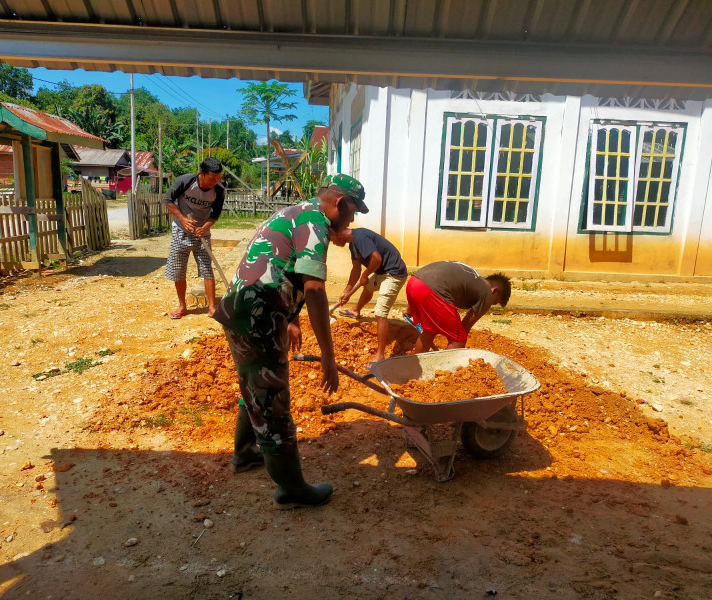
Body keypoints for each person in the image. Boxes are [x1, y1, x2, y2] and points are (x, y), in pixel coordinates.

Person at [213, 173, 368, 509]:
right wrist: (328, 356)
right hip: (260, 317)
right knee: (272, 399)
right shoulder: (316, 224)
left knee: (256, 385)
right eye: (354, 210)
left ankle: (244, 453)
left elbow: (280, 266)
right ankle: (291, 489)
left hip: (243, 310)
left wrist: (292, 318)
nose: (353, 219)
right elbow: (314, 289)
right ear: (341, 202)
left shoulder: (295, 212)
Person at [329, 227, 408, 367]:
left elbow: (377, 259)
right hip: (382, 272)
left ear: (338, 233)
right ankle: (355, 310)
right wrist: (347, 291)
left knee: (380, 313)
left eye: (332, 239)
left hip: (394, 273)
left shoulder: (359, 237)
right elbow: (356, 269)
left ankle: (380, 357)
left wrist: (365, 275)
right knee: (368, 287)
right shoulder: (352, 244)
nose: (333, 243)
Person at [163, 157, 226, 319]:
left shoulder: (219, 190)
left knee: (207, 268)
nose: (215, 182)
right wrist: (182, 219)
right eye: (212, 178)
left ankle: (212, 307)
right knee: (179, 270)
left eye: (218, 178)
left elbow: (215, 214)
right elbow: (167, 200)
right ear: (201, 173)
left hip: (202, 234)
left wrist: (206, 227)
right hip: (181, 231)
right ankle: (182, 306)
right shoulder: (185, 181)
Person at [405, 261, 511, 354]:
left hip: (413, 282)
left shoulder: (473, 277)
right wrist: (457, 343)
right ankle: (446, 369)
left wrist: (410, 308)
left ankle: (416, 368)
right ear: (495, 291)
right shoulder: (487, 293)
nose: (490, 304)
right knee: (459, 338)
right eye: (494, 302)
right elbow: (465, 327)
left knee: (430, 330)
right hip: (433, 291)